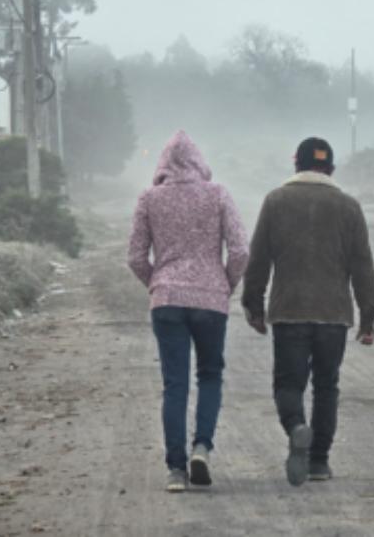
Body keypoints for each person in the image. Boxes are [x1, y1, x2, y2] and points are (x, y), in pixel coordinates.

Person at [242, 136, 374, 486]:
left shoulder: (275, 201)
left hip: (289, 311)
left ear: (296, 165)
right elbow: (362, 264)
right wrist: (369, 315)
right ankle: (318, 461)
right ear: (330, 169)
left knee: (288, 383)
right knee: (326, 386)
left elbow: (258, 259)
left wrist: (253, 304)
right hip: (333, 315)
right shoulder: (349, 207)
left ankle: (296, 427)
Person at [128, 130, 248, 493]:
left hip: (167, 300)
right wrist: (225, 284)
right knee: (210, 375)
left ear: (162, 164)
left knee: (174, 384)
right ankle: (202, 447)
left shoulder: (149, 199)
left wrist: (158, 282)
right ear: (199, 161)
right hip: (211, 299)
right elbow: (241, 250)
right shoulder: (218, 194)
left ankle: (176, 470)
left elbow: (135, 257)